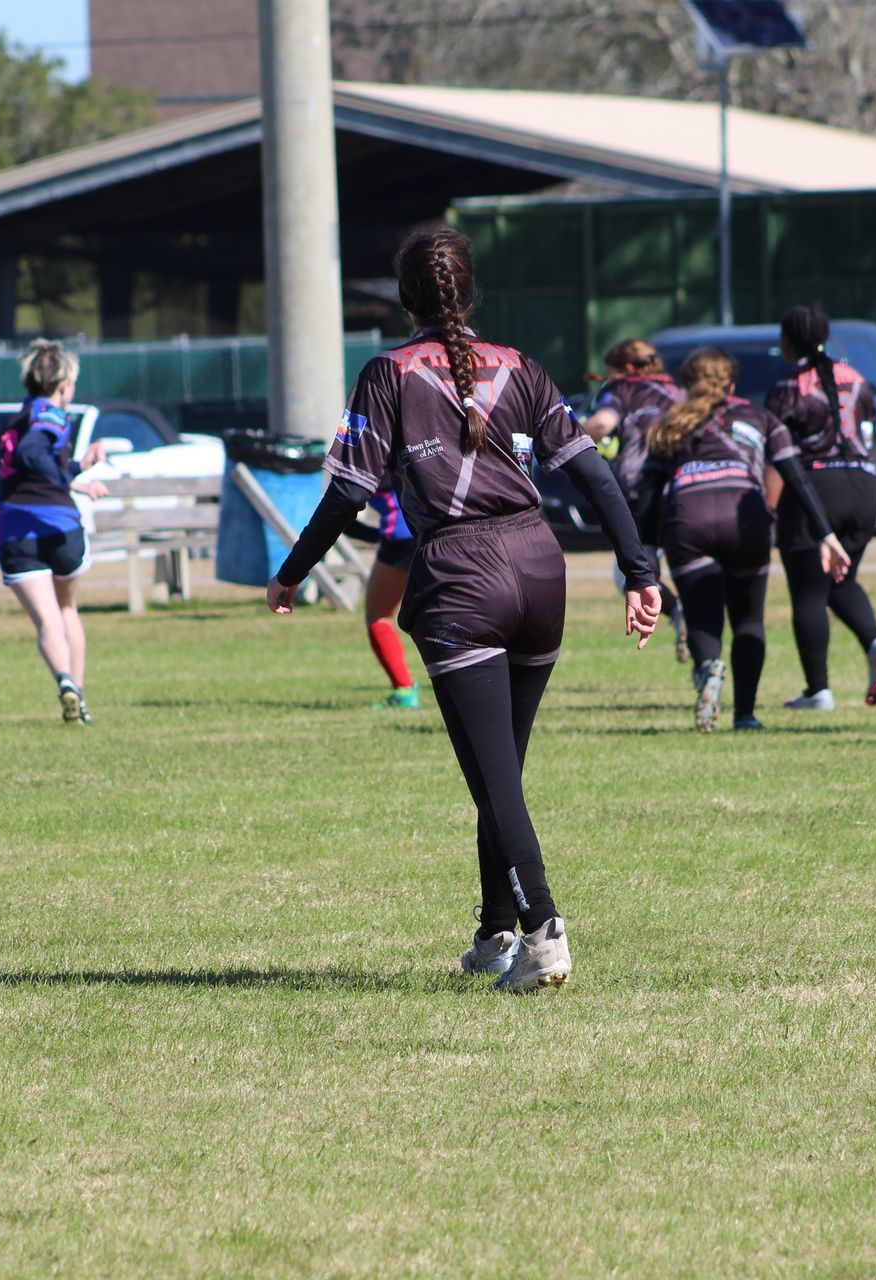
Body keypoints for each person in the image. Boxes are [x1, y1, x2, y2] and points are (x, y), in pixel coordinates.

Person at [267, 225, 660, 995]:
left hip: (460, 576)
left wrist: (291, 572)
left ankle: (544, 933)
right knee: (500, 768)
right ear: (470, 293)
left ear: (406, 299)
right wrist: (640, 569)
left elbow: (350, 492)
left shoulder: (388, 372)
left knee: (495, 779)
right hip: (541, 570)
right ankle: (495, 930)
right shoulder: (520, 366)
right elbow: (593, 476)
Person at [637, 348, 851, 733]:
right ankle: (745, 716)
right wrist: (826, 532)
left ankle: (708, 668)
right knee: (749, 619)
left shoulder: (669, 423)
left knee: (702, 616)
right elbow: (796, 477)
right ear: (732, 384)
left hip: (689, 518)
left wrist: (646, 551)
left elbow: (649, 492)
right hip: (745, 516)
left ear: (688, 385)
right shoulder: (762, 417)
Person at [764, 306, 876, 711]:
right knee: (841, 579)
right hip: (863, 486)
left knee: (808, 589)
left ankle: (817, 689)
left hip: (815, 487)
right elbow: (868, 430)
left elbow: (778, 455)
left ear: (788, 342)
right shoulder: (855, 377)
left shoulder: (788, 385)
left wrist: (770, 509)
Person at [0, 340, 109, 724]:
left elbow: (33, 463)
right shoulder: (52, 415)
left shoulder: (17, 418)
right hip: (58, 527)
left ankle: (65, 682)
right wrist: (65, 480)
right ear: (63, 385)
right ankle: (79, 694)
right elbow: (33, 453)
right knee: (66, 609)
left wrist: (76, 469)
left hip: (14, 529)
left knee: (47, 622)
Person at [582, 338, 688, 661]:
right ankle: (695, 623)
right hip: (686, 490)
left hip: (641, 492)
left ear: (626, 369)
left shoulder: (622, 390)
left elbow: (602, 423)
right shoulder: (678, 391)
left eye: (610, 372)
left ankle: (678, 611)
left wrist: (569, 446)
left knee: (630, 573)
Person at [362, 487, 420, 709]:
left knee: (378, 617)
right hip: (433, 526)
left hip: (400, 535)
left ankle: (404, 690)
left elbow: (346, 501)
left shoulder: (365, 454)